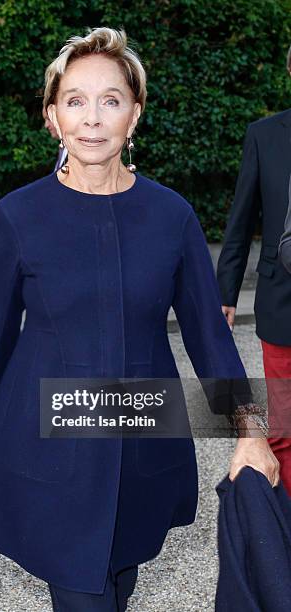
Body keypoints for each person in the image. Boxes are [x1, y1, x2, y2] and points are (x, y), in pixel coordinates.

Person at [0, 28, 279, 611]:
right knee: (83, 593)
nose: (92, 118)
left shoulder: (171, 215)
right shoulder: (18, 215)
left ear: (135, 115)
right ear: (52, 117)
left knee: (117, 582)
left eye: (110, 100)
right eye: (74, 100)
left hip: (143, 439)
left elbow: (209, 337)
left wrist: (251, 433)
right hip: (47, 440)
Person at [217, 45, 291, 495]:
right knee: (281, 427)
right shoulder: (264, 135)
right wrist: (225, 291)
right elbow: (241, 219)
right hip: (281, 302)